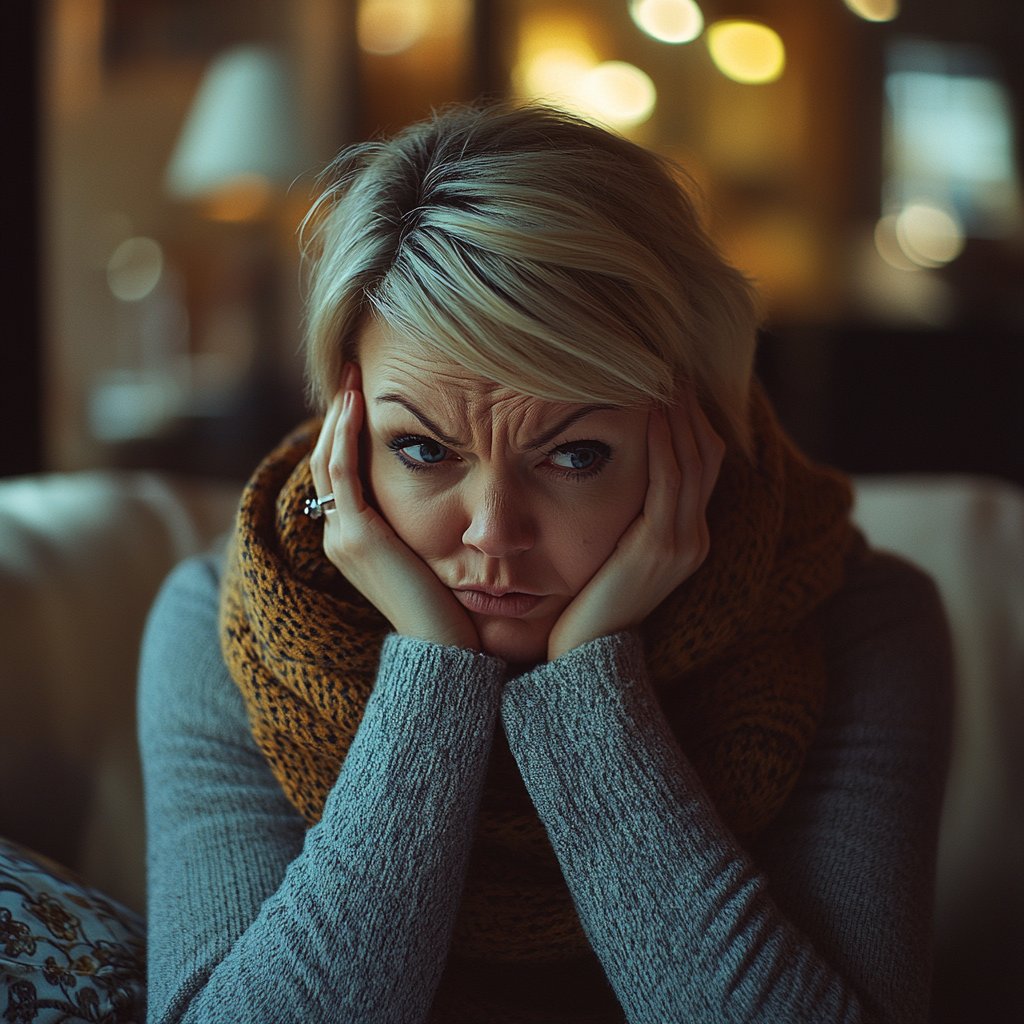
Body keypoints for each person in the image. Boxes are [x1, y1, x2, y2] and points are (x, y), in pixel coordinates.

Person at [138, 101, 952, 1024]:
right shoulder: (225, 622)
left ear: (696, 437)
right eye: (421, 449)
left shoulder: (862, 623)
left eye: (575, 455)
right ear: (347, 431)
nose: (493, 531)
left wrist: (589, 690)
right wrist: (434, 679)